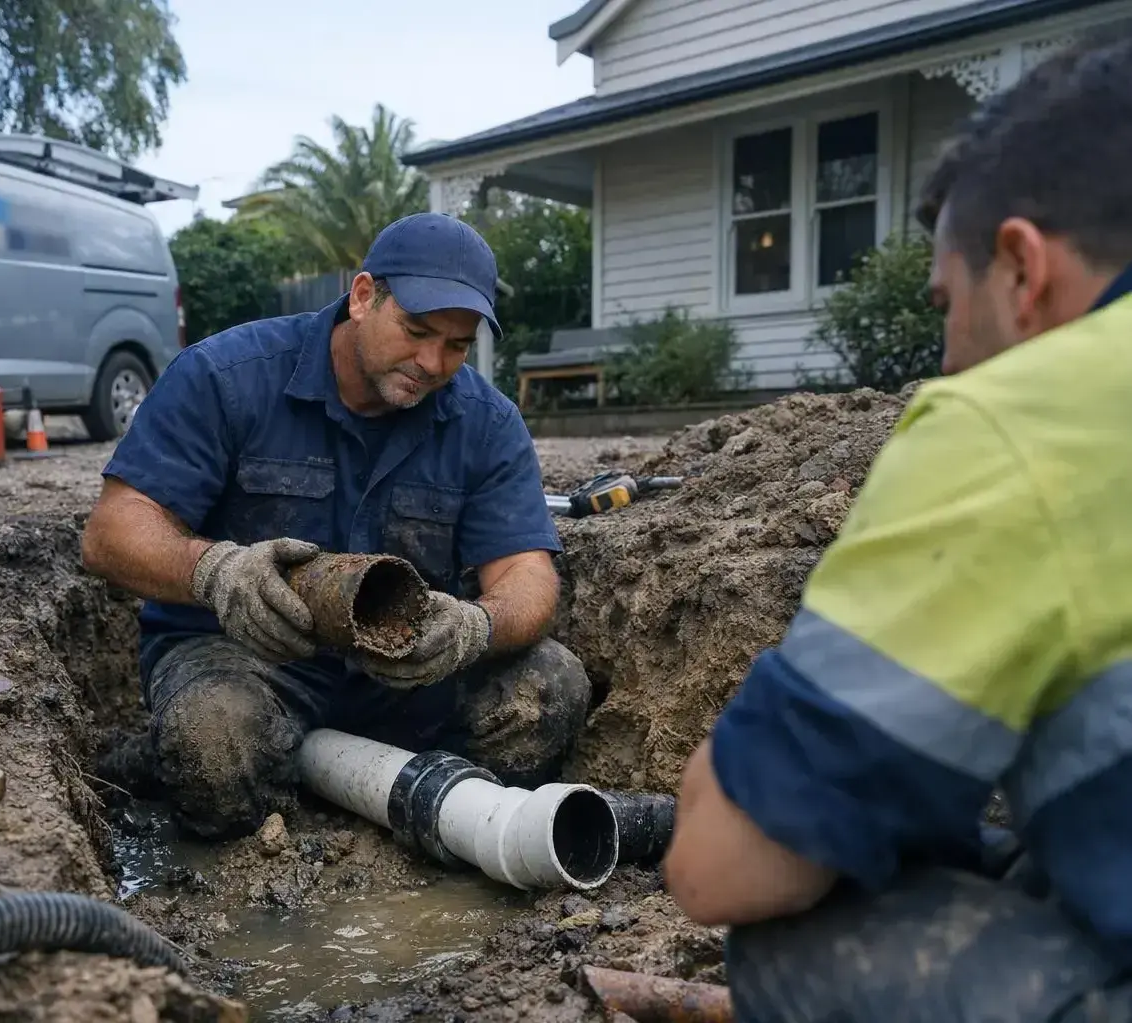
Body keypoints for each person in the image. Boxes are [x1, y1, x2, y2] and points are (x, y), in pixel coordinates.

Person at [661, 33, 1132, 1023]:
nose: (949, 353)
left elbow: (717, 873)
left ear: (1020, 268)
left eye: (945, 304)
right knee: (1030, 862)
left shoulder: (1019, 417)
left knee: (806, 939)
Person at [81, 212, 591, 839]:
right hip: (243, 657)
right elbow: (112, 531)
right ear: (362, 296)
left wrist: (473, 626)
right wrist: (215, 571)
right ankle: (162, 764)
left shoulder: (485, 424)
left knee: (552, 688)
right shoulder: (227, 378)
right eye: (416, 330)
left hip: (405, 675)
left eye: (457, 345)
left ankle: (428, 815)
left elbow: (527, 573)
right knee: (213, 745)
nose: (433, 362)